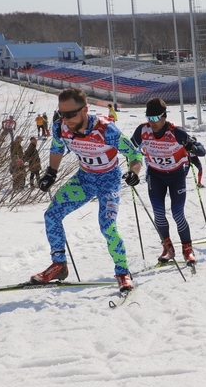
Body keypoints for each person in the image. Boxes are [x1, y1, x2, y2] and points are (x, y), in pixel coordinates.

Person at [33, 87, 143, 292]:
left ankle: (123, 272)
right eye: (61, 114)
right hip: (84, 179)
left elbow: (135, 155)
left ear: (84, 110)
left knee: (107, 225)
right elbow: (57, 148)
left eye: (70, 114)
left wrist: (134, 172)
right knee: (52, 215)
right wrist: (50, 173)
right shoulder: (60, 128)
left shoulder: (106, 130)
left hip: (108, 181)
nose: (65, 119)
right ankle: (59, 265)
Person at [131, 98, 205, 266]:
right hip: (156, 176)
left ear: (164, 117)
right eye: (149, 118)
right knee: (158, 213)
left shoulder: (176, 132)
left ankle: (187, 249)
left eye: (156, 118)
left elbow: (202, 151)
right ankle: (167, 247)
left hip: (176, 176)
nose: (153, 122)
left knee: (177, 213)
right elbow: (128, 148)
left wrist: (192, 147)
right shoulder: (142, 131)